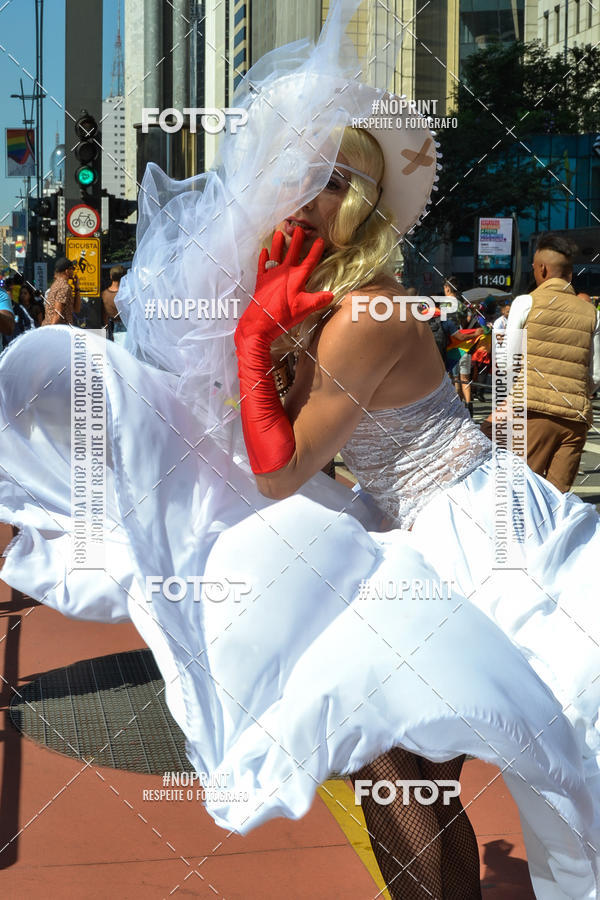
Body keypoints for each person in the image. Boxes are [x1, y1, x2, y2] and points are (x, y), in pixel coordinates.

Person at [0, 4, 598, 898]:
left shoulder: (367, 313)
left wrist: (251, 337)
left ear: (345, 199)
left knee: (489, 752)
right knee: (399, 756)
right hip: (414, 531)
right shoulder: (327, 306)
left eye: (299, 184)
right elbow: (266, 441)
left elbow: (281, 469)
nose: (276, 203)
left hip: (478, 535)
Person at [502, 233, 600, 492]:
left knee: (522, 493)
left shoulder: (525, 303)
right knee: (558, 499)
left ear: (542, 269)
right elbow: (596, 375)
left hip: (533, 411)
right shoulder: (592, 313)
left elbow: (509, 364)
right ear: (570, 273)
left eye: (534, 267)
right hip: (576, 417)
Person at [42, 257, 81, 326]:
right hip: (58, 331)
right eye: (72, 268)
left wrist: (77, 288)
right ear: (67, 271)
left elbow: (76, 309)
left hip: (56, 328)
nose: (74, 271)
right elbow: (57, 313)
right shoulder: (63, 287)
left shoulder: (57, 284)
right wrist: (49, 331)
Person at [101, 265, 127, 344]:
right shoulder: (126, 293)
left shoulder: (104, 294)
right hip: (125, 327)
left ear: (111, 276)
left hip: (111, 327)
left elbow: (104, 315)